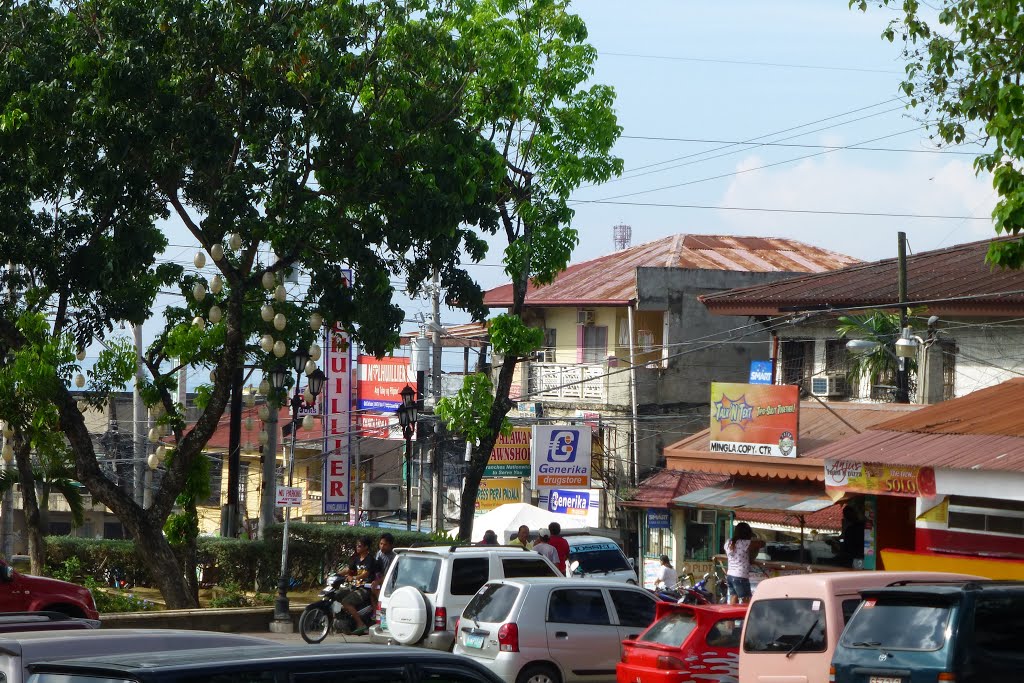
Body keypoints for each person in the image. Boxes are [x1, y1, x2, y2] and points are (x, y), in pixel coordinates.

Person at [339, 535, 379, 635]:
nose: (357, 547)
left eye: (360, 546)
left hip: (365, 588)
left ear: (366, 547)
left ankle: (360, 624)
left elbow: (366, 573)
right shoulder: (356, 559)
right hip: (355, 586)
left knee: (346, 602)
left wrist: (355, 578)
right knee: (337, 594)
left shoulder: (370, 559)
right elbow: (348, 570)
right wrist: (336, 574)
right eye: (357, 546)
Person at [723, 522, 763, 604]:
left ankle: (731, 616)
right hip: (740, 576)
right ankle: (745, 616)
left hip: (730, 575)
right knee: (747, 601)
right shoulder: (744, 543)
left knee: (734, 597)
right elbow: (762, 543)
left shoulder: (728, 542)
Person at [371, 533, 396, 603]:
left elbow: (390, 575)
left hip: (388, 584)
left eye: (385, 545)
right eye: (381, 544)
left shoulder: (393, 557)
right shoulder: (379, 553)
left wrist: (378, 581)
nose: (382, 546)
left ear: (390, 546)